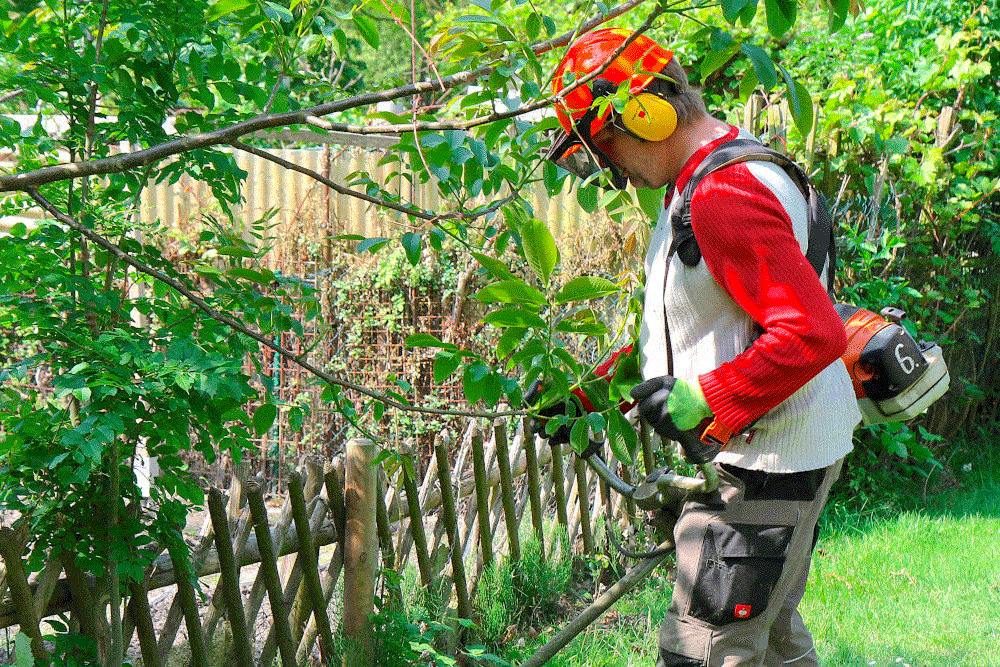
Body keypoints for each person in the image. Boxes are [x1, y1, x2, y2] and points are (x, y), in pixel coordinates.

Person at [543, 28, 862, 666]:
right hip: (776, 451)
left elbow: (812, 331)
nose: (610, 168)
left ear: (646, 114)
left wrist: (703, 399)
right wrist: (588, 395)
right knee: (766, 636)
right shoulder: (696, 184)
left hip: (769, 461)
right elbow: (689, 328)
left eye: (605, 147)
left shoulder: (723, 195)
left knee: (705, 647)